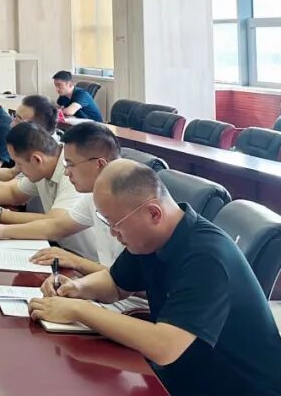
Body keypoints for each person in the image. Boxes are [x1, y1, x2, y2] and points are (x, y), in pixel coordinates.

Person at [29, 161, 281, 396]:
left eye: (116, 223)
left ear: (153, 213)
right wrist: (76, 287)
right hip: (186, 374)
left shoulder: (207, 257)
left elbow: (165, 346)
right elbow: (116, 284)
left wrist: (79, 310)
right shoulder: (150, 239)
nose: (113, 233)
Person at [0, 121, 126, 277]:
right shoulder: (91, 197)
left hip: (97, 276)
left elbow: (130, 281)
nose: (66, 172)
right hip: (94, 276)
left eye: (71, 164)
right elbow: (56, 226)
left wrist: (76, 261)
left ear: (99, 164)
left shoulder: (131, 202)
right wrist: (0, 230)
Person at [0, 122, 97, 260]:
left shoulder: (73, 174)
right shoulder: (45, 167)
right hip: (60, 250)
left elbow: (55, 222)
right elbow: (14, 193)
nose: (18, 170)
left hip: (85, 259)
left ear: (36, 159)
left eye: (19, 164)